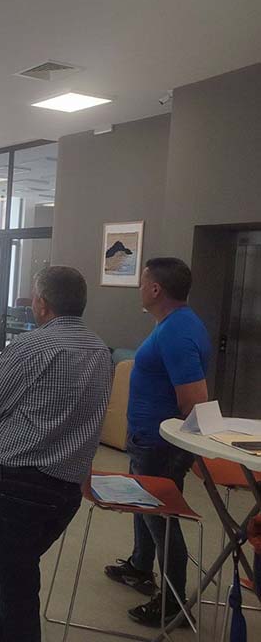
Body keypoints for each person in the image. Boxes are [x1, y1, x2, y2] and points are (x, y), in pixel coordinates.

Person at [0, 266, 112, 642]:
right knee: (11, 570)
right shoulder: (101, 351)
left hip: (16, 484)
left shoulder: (29, 347)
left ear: (42, 304)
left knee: (17, 587)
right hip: (64, 489)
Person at [104, 258, 210, 627]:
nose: (139, 288)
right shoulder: (173, 323)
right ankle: (139, 566)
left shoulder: (178, 331)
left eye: (142, 282)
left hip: (159, 446)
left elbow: (194, 400)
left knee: (161, 517)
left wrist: (179, 450)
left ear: (155, 289)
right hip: (147, 440)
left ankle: (174, 602)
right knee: (144, 506)